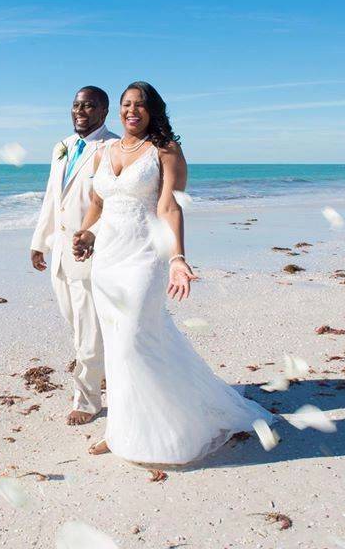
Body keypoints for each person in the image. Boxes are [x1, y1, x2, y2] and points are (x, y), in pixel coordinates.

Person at [72, 81, 274, 464]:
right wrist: (85, 233)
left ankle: (178, 424)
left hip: (145, 257)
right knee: (117, 347)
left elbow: (170, 208)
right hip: (106, 264)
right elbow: (98, 200)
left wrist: (179, 258)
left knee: (133, 339)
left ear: (154, 110)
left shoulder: (165, 151)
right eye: (126, 105)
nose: (132, 111)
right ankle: (118, 431)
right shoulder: (104, 152)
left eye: (140, 105)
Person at [31, 86, 119, 426]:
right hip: (60, 254)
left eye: (89, 105)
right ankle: (104, 372)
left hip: (92, 254)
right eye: (76, 105)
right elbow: (53, 198)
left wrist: (94, 236)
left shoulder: (112, 148)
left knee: (88, 332)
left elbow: (114, 203)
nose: (81, 110)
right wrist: (40, 241)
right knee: (78, 325)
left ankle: (87, 400)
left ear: (104, 112)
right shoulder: (62, 147)